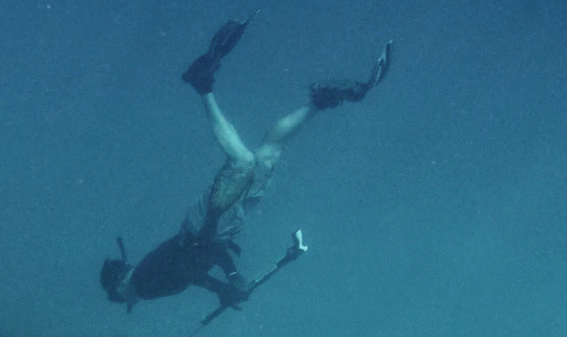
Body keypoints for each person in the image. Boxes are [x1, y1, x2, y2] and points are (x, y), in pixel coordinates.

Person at [101, 17, 391, 310]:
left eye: (116, 295)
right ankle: (318, 102)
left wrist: (228, 283)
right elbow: (201, 262)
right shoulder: (143, 280)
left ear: (120, 284)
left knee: (243, 161)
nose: (122, 300)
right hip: (217, 231)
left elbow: (189, 270)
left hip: (206, 226)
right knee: (268, 155)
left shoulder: (143, 285)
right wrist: (228, 280)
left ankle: (202, 83)